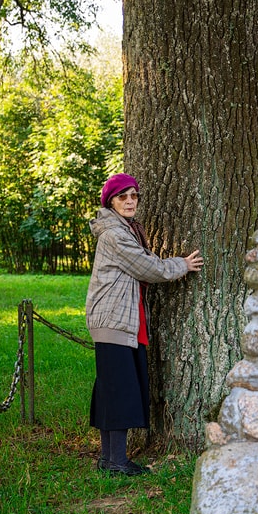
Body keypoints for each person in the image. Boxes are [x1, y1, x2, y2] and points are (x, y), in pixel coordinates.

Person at [86, 173, 203, 476]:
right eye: (122, 196)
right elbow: (148, 267)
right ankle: (116, 461)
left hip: (123, 319)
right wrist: (182, 265)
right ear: (110, 201)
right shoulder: (115, 234)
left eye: (133, 195)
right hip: (114, 321)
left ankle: (109, 457)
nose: (129, 201)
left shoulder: (125, 230)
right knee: (119, 392)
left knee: (113, 391)